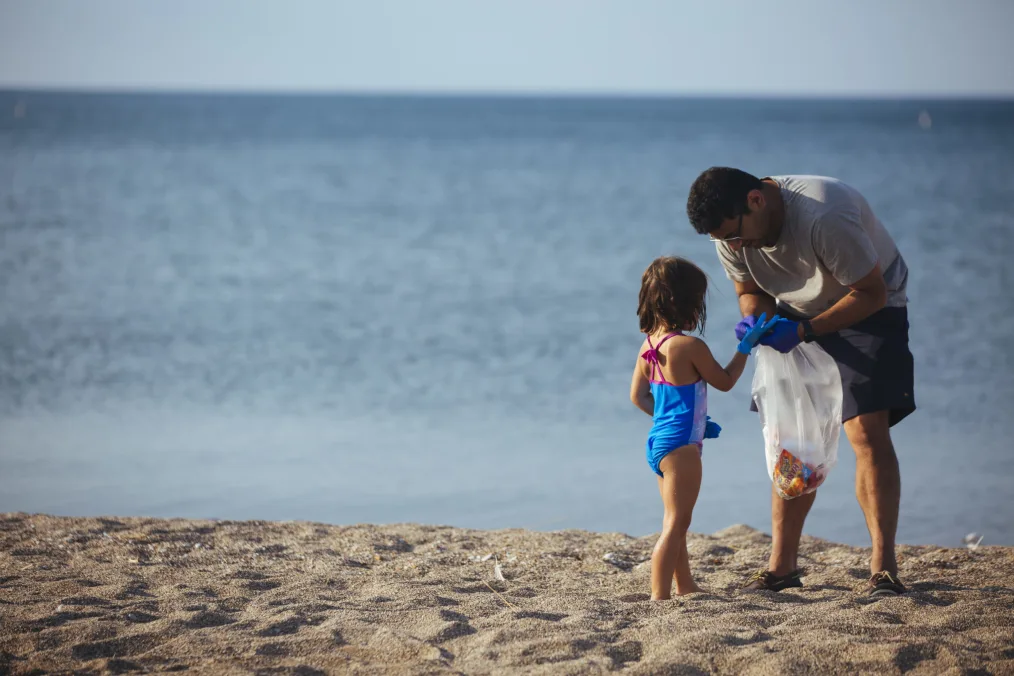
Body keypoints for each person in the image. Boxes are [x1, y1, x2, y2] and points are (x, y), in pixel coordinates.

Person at [686, 167, 914, 599]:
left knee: (865, 430)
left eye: (735, 235)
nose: (733, 246)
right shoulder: (728, 233)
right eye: (722, 241)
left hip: (869, 303)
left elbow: (871, 292)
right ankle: (783, 567)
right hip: (795, 308)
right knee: (791, 438)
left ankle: (883, 567)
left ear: (756, 200)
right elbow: (749, 288)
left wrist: (806, 332)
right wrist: (754, 317)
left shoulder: (824, 214)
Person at [630, 256, 777, 600]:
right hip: (682, 448)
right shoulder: (690, 346)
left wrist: (688, 418)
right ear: (688, 303)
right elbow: (724, 381)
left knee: (675, 518)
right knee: (676, 524)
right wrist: (745, 347)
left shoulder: (649, 345)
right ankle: (659, 595)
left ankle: (686, 585)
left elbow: (638, 397)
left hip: (659, 443)